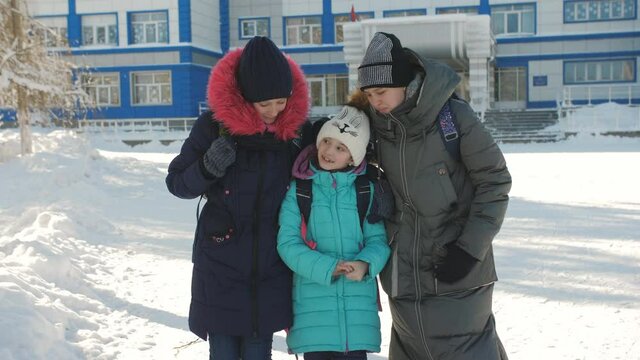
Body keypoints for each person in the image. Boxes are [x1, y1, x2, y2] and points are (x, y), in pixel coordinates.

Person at [354, 32, 512, 359]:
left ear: (405, 84)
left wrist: (469, 249)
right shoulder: (374, 128)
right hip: (403, 272)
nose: (375, 101)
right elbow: (332, 150)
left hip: (457, 266)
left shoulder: (452, 117)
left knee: (467, 349)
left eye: (381, 91)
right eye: (368, 94)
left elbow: (495, 181)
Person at [165, 36, 310, 359]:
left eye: (281, 101)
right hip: (220, 265)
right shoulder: (213, 128)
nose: (275, 111)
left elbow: (333, 161)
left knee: (258, 351)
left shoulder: (296, 134)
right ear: (245, 98)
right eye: (264, 104)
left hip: (270, 267)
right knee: (225, 350)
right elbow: (177, 183)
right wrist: (207, 167)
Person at [277, 106, 391, 360]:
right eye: (326, 141)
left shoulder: (366, 190)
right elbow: (287, 244)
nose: (329, 151)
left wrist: (365, 264)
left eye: (341, 147)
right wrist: (327, 267)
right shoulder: (299, 190)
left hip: (357, 314)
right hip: (313, 313)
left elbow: (379, 241)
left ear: (354, 157)